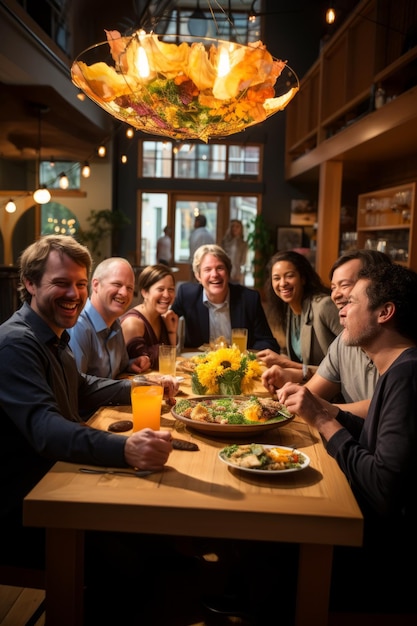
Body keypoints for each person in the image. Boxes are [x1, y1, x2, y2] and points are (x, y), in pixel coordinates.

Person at [0, 235, 175, 572]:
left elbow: (81, 386)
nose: (74, 294)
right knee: (139, 555)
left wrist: (141, 387)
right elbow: (46, 429)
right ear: (30, 283)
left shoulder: (52, 333)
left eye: (80, 284)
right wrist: (125, 450)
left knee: (161, 535)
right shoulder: (15, 343)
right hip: (25, 506)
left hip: (59, 476)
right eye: (61, 283)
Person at [277, 263, 417, 614]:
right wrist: (329, 411)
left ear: (385, 312)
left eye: (351, 300)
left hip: (382, 556)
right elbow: (372, 442)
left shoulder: (407, 375)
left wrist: (324, 419)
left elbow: (383, 489)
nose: (340, 307)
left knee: (279, 526)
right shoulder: (396, 369)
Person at [262, 250, 392, 417]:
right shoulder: (343, 340)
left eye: (345, 285)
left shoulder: (398, 348)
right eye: (333, 287)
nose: (335, 295)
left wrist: (323, 407)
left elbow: (386, 408)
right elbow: (307, 395)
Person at [171, 244, 280, 351]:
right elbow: (167, 321)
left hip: (238, 365)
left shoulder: (249, 299)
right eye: (207, 269)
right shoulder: (187, 295)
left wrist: (246, 355)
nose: (214, 274)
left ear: (228, 272)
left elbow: (268, 343)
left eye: (220, 268)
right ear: (198, 276)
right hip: (201, 366)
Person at [257, 250, 342, 376]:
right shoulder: (289, 310)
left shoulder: (324, 306)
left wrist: (284, 363)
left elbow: (355, 357)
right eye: (276, 278)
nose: (282, 283)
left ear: (303, 278)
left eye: (289, 276)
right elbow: (297, 360)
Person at [68, 257, 151, 378]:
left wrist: (132, 364)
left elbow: (120, 368)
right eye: (117, 284)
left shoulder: (116, 323)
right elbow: (77, 384)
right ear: (96, 285)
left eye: (130, 288)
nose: (124, 293)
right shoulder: (79, 325)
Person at [121, 264, 178, 369]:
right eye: (160, 289)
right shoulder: (133, 323)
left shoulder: (161, 318)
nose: (166, 295)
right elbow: (143, 366)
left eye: (171, 289)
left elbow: (170, 361)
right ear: (144, 292)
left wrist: (171, 332)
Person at [221, 219, 248, 284]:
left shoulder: (243, 244)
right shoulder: (224, 242)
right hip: (225, 272)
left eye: (237, 226)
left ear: (241, 229)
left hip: (238, 274)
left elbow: (244, 262)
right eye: (233, 226)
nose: (235, 228)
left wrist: (241, 274)